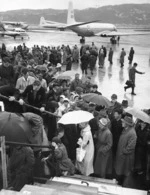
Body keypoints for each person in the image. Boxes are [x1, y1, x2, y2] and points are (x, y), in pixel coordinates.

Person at [115, 116, 137, 185]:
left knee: (125, 172)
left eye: (123, 122)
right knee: (121, 171)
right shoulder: (125, 129)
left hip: (126, 157)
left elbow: (131, 147)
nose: (122, 122)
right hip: (122, 156)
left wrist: (123, 151)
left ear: (127, 124)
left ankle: (123, 186)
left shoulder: (132, 133)